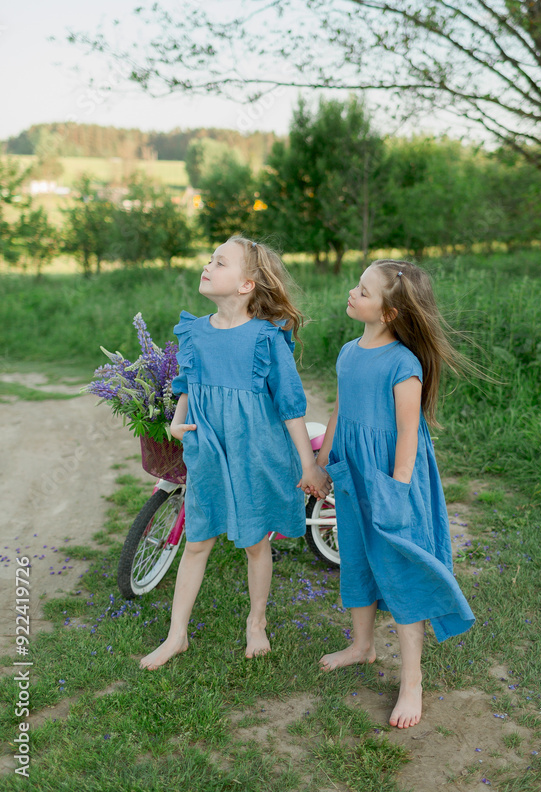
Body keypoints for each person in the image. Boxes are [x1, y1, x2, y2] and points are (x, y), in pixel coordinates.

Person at [140, 236, 331, 669]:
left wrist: (307, 463)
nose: (208, 265)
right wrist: (177, 420)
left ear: (246, 285)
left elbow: (290, 405)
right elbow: (187, 382)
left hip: (256, 452)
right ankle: (176, 636)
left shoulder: (265, 337)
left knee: (255, 543)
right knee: (197, 540)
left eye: (220, 262)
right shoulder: (194, 330)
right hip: (208, 449)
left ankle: (256, 620)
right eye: (210, 259)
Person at [315, 259, 476, 728]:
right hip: (353, 472)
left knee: (399, 569)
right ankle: (362, 645)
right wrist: (325, 462)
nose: (352, 292)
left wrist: (398, 489)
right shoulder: (349, 352)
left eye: (363, 290)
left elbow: (408, 432)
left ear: (388, 313)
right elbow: (342, 409)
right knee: (358, 555)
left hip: (390, 478)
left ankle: (411, 680)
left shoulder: (403, 365)